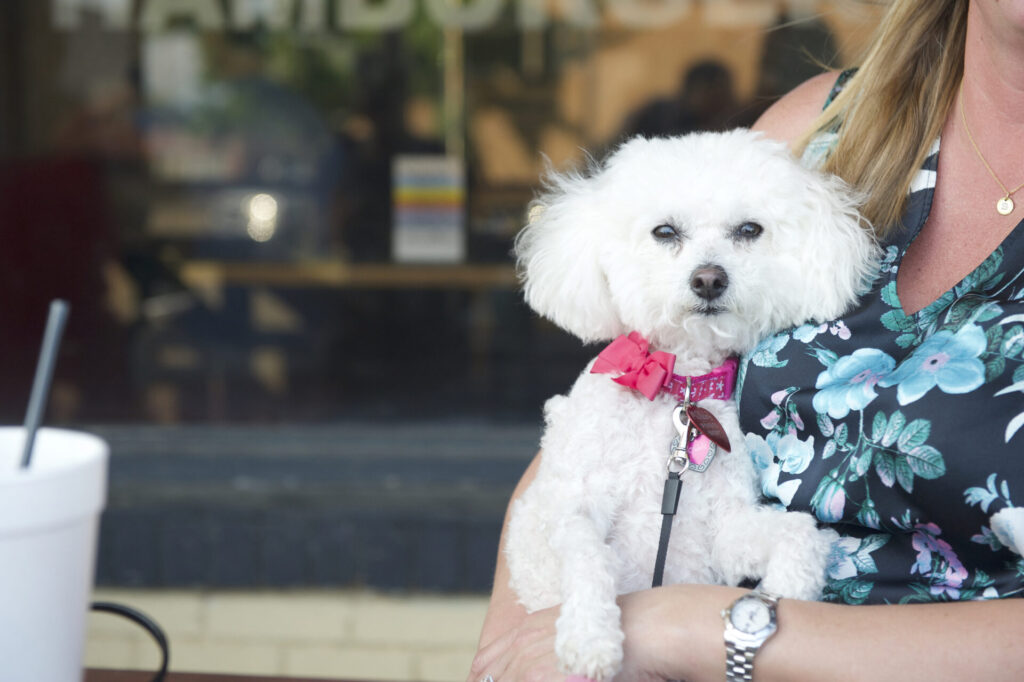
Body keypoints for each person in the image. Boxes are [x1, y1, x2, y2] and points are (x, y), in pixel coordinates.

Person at [468, 1, 1024, 680]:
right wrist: (510, 647)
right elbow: (638, 389)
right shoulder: (825, 128)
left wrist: (703, 629)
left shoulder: (678, 629)